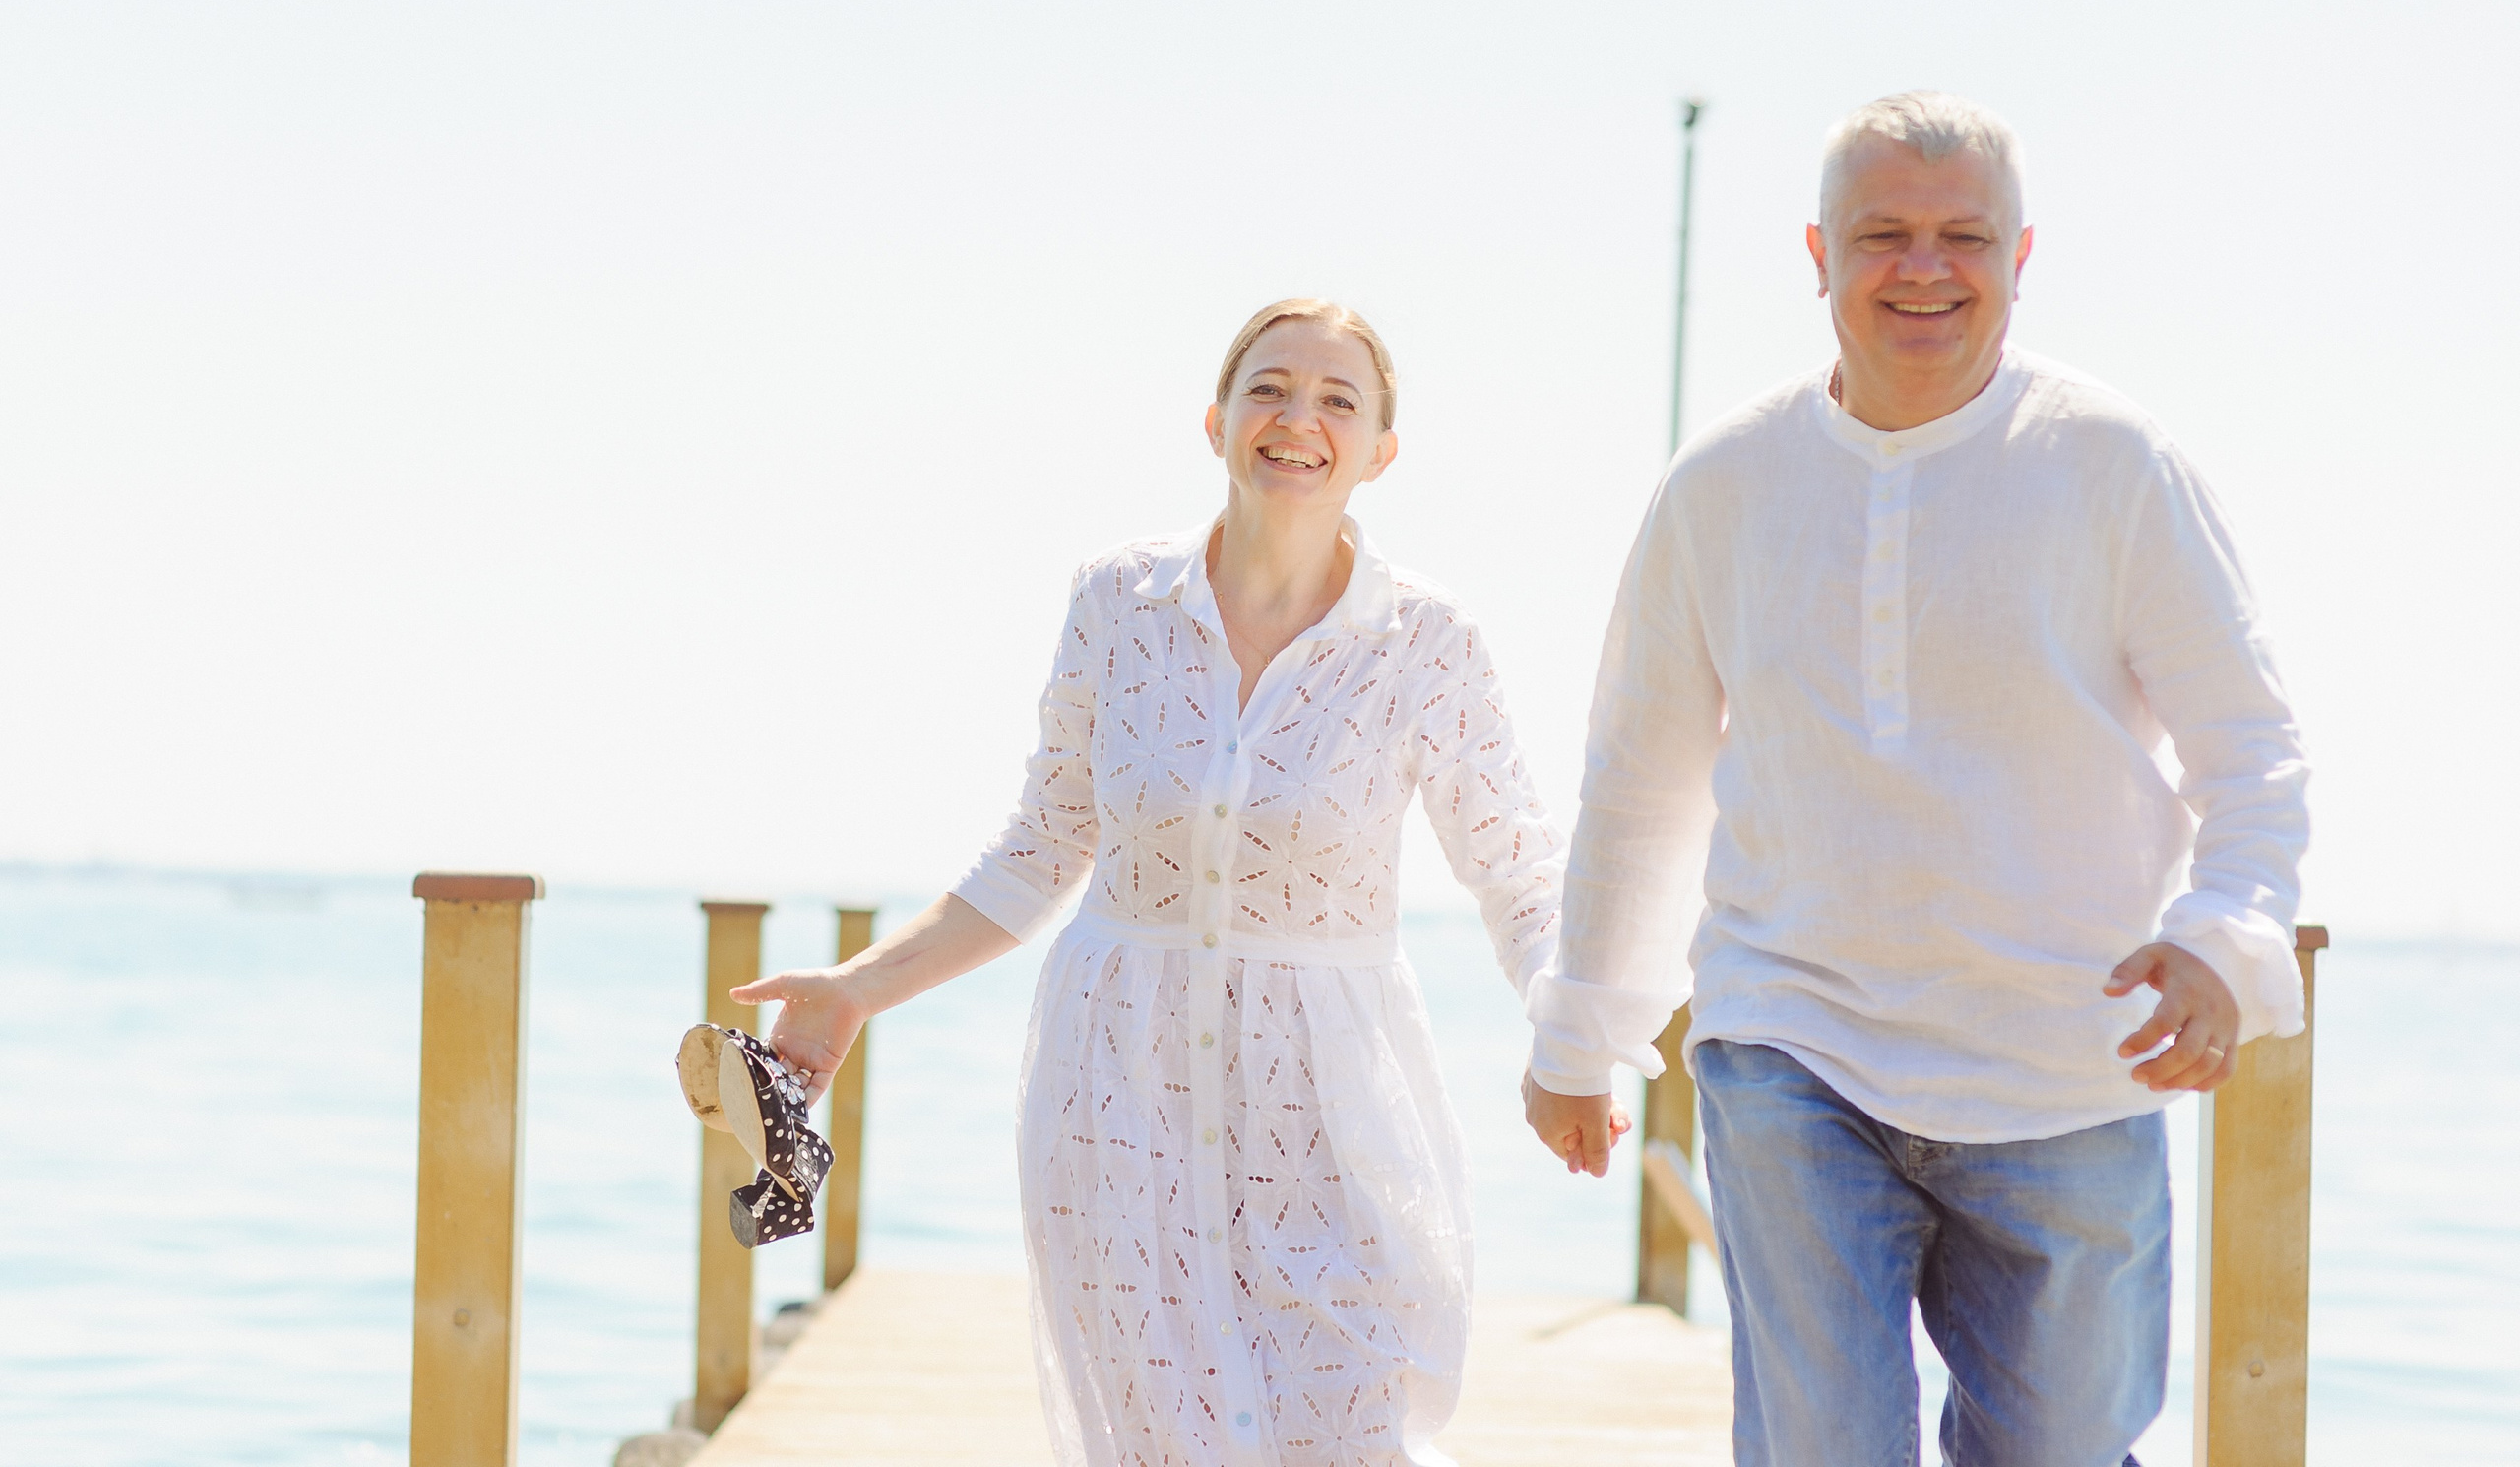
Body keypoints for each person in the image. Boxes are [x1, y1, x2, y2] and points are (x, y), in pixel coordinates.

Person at [1521, 91, 2311, 1465]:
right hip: (1794, 1043)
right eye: (1883, 233)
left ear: (2021, 253)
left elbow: (2254, 752)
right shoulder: (1721, 485)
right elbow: (1642, 775)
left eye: (1965, 236)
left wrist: (2222, 938)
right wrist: (1583, 1028)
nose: (1925, 268)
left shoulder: (2116, 464)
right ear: (1818, 253)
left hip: (2068, 1062)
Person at [732, 299, 1574, 1467]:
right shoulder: (1116, 603)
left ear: (1381, 451)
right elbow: (1042, 847)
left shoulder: (1427, 641)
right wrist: (857, 990)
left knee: (1348, 1426)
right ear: (1217, 419)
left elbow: (1517, 867)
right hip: (1114, 1090)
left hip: (1325, 1097)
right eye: (1270, 388)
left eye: (1340, 400)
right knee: (1168, 1445)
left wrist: (1577, 1033)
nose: (1298, 420)